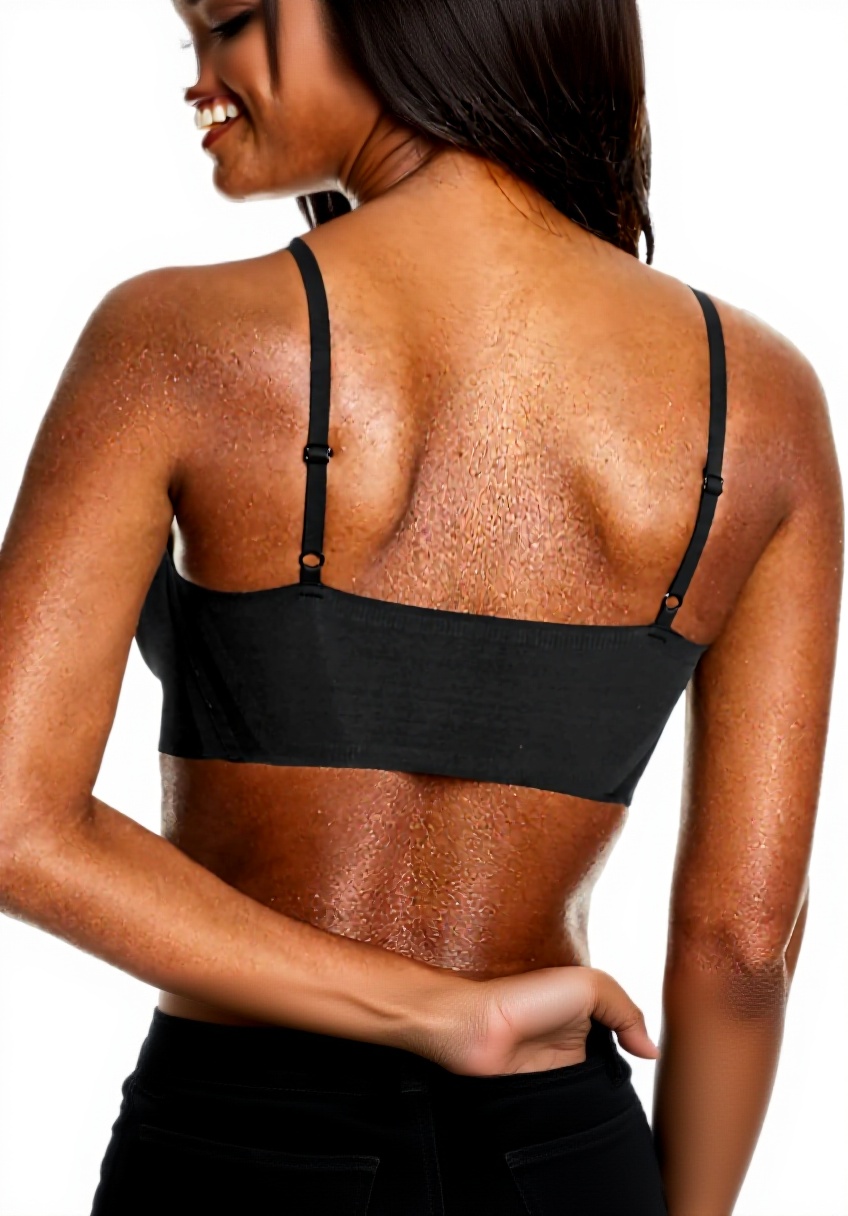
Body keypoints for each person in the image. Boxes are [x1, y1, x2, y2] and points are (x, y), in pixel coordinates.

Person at [0, 0, 841, 1212]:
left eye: (228, 22)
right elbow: (741, 946)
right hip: (564, 1151)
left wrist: (430, 1014)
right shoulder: (758, 401)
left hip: (236, 1145)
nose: (200, 76)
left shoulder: (178, 341)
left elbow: (15, 824)